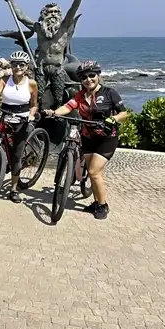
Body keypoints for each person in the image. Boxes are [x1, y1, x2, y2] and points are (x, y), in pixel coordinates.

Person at [43, 60, 128, 220]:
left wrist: (114, 119)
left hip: (107, 139)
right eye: (84, 77)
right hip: (88, 138)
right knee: (94, 172)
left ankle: (103, 205)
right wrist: (54, 112)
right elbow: (68, 107)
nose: (88, 79)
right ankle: (96, 202)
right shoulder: (80, 95)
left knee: (94, 172)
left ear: (99, 76)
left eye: (92, 75)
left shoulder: (110, 93)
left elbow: (123, 113)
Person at [4, 0, 91, 110]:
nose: (53, 14)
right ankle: (36, 116)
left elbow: (73, 8)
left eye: (56, 12)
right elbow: (20, 16)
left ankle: (59, 119)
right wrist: (10, 0)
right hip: (41, 68)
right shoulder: (38, 27)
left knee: (59, 98)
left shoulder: (63, 27)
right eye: (50, 12)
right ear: (44, 14)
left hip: (57, 68)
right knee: (37, 97)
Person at [0, 51, 39, 203]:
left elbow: (34, 105)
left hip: (22, 120)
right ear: (11, 65)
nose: (18, 67)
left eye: (21, 64)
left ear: (26, 66)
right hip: (5, 116)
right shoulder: (4, 80)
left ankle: (13, 189)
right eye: (15, 64)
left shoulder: (31, 83)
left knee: (16, 155)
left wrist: (31, 115)